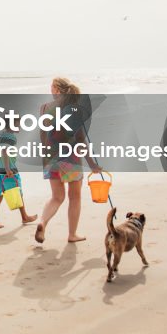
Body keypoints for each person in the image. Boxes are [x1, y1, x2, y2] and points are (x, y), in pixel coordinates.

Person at [34, 77, 101, 244]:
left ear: (57, 89)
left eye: (51, 87)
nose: (50, 90)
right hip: (70, 159)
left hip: (51, 157)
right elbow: (80, 140)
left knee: (56, 197)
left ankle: (42, 222)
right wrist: (92, 164)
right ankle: (72, 234)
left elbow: (42, 136)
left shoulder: (43, 108)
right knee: (75, 198)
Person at [0, 120, 38, 230]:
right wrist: (7, 169)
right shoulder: (11, 138)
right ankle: (24, 217)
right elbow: (4, 151)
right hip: (9, 171)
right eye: (18, 124)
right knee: (18, 193)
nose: (20, 126)